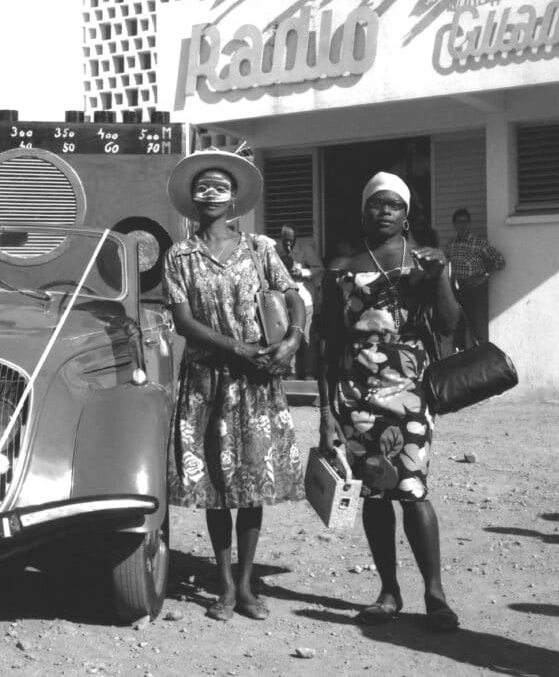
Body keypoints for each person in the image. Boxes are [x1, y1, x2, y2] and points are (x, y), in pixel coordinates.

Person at [163, 150, 306, 622]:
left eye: (219, 187)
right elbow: (183, 321)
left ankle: (245, 586)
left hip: (256, 383)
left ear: (235, 198)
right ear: (191, 197)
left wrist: (293, 338)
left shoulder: (261, 249)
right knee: (218, 488)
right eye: (202, 187)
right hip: (208, 381)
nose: (210, 195)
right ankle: (223, 584)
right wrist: (237, 347)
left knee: (249, 487)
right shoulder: (179, 256)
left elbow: (292, 295)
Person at [318, 171, 461, 632]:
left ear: (406, 214)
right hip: (355, 395)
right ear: (364, 211)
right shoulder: (343, 268)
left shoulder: (425, 263)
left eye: (393, 205)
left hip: (409, 391)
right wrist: (325, 411)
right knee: (376, 493)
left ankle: (434, 594)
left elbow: (448, 323)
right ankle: (388, 591)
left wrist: (440, 276)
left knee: (413, 488)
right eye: (376, 204)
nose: (384, 211)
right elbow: (328, 343)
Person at [445, 207, 505, 349]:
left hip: (474, 289)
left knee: (476, 327)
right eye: (459, 222)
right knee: (458, 326)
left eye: (465, 222)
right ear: (455, 225)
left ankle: (480, 360)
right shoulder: (451, 245)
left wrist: (484, 276)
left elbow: (500, 261)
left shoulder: (478, 243)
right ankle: (460, 360)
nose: (462, 225)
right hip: (456, 289)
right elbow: (446, 265)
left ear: (470, 224)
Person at [276, 225, 323, 379]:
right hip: (285, 299)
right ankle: (291, 371)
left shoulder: (306, 249)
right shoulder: (276, 250)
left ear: (296, 238)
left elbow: (319, 269)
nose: (288, 244)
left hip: (305, 298)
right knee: (289, 334)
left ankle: (310, 371)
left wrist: (303, 272)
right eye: (285, 241)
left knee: (306, 336)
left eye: (290, 241)